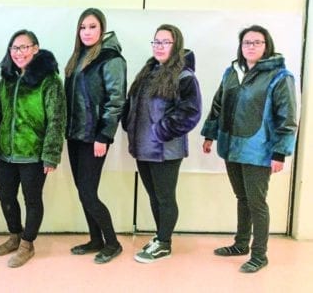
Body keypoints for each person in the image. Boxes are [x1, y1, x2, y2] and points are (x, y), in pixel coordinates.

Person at [201, 25, 297, 273]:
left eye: (257, 42)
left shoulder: (279, 76)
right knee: (242, 198)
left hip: (259, 150)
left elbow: (286, 118)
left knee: (257, 202)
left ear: (267, 45)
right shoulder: (231, 72)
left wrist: (280, 153)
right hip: (231, 146)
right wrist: (210, 135)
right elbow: (218, 104)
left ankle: (259, 254)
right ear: (240, 46)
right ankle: (241, 244)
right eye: (246, 42)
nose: (251, 46)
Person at [123, 24, 201, 263]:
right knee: (154, 196)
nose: (159, 46)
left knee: (165, 197)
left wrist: (161, 131)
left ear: (175, 45)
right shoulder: (148, 71)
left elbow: (190, 112)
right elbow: (133, 103)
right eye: (156, 41)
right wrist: (129, 123)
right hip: (143, 148)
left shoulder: (184, 77)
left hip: (166, 150)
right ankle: (160, 236)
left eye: (165, 42)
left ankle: (164, 243)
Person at [0, 29, 66, 268]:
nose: (18, 53)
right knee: (5, 196)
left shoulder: (50, 80)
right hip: (7, 153)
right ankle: (15, 235)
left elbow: (57, 119)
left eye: (23, 47)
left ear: (35, 49)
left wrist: (50, 155)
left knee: (32, 199)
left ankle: (27, 244)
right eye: (14, 48)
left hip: (33, 153)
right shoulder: (7, 79)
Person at [64, 8, 127, 264]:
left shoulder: (111, 58)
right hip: (75, 135)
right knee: (83, 191)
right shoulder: (78, 57)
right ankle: (95, 239)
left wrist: (104, 136)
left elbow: (116, 101)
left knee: (89, 192)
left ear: (102, 29)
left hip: (94, 137)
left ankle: (112, 242)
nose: (87, 32)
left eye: (92, 27)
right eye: (83, 27)